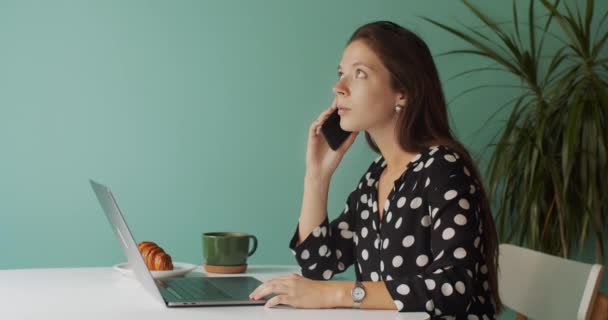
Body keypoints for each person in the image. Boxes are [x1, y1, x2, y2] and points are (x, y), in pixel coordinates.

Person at [248, 20, 503, 319]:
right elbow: (318, 264)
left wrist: (338, 294)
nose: (339, 87)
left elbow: (453, 287)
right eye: (341, 73)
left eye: (360, 74)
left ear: (403, 93)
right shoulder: (376, 176)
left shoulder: (443, 169)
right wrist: (317, 177)